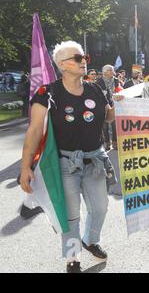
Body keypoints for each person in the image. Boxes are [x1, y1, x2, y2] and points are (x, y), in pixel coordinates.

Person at [19, 40, 120, 273]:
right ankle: (72, 257)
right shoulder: (47, 93)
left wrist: (118, 103)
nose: (83, 61)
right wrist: (26, 167)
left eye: (84, 57)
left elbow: (108, 118)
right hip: (66, 164)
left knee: (101, 207)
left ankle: (91, 240)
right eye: (78, 58)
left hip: (96, 160)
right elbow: (34, 131)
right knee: (72, 214)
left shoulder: (95, 89)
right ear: (62, 65)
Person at [96, 65, 121, 150]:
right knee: (105, 126)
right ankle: (107, 142)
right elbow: (97, 94)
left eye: (112, 70)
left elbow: (120, 90)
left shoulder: (116, 81)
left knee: (115, 125)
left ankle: (115, 142)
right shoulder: (99, 81)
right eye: (110, 70)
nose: (112, 71)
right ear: (105, 72)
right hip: (103, 105)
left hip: (115, 104)